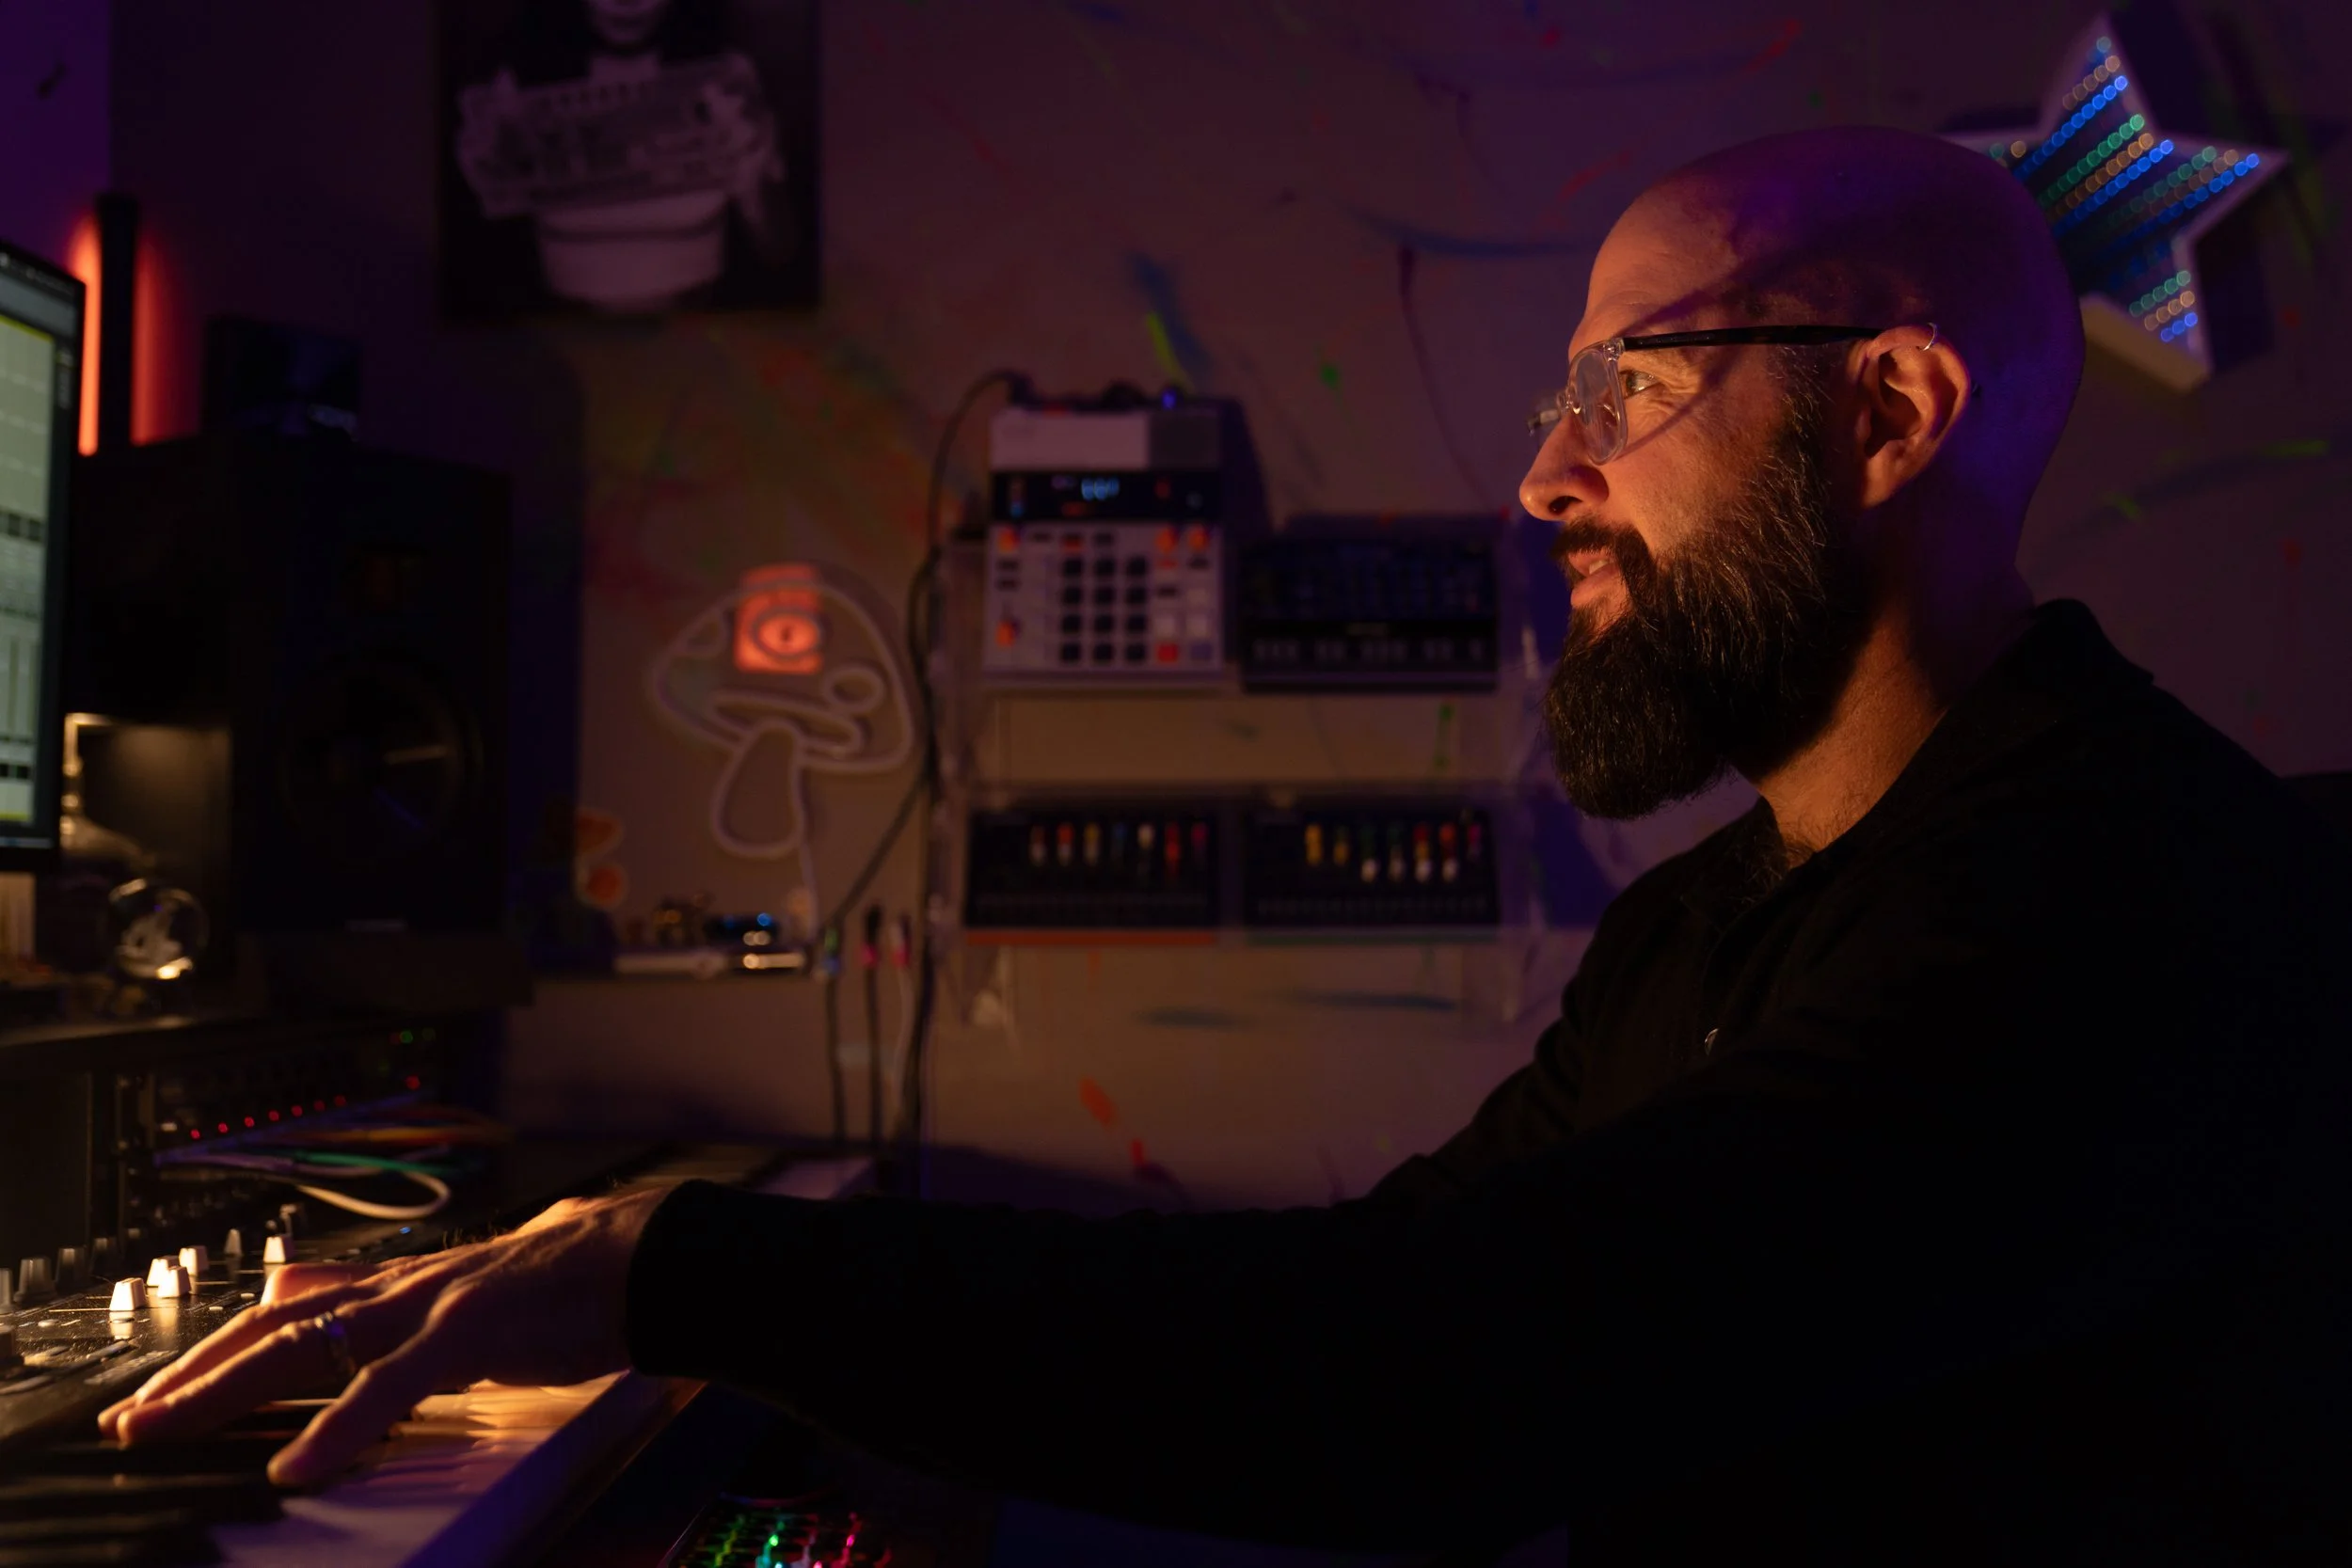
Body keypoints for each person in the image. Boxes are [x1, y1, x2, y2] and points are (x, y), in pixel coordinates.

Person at [103, 126, 2352, 1561]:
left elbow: (1434, 1374)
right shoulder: (1705, 919)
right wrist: (718, 1284)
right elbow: (1397, 1278)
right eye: (1555, 401)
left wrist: (675, 1263)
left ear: (1887, 411)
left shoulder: (2109, 904)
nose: (1545, 478)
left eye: (1626, 389)